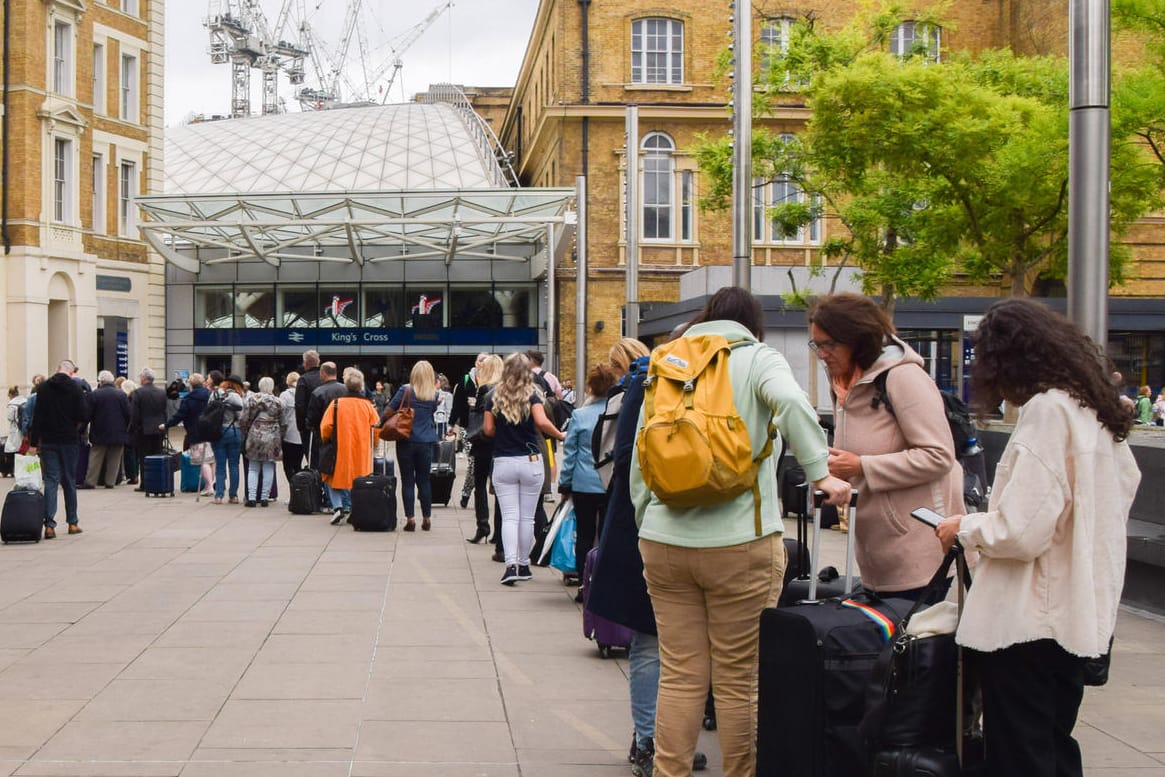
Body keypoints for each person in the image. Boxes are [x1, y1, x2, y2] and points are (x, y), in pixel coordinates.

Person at [630, 287, 850, 777]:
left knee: (681, 675)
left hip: (664, 541)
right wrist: (820, 474)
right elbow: (793, 402)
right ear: (754, 324)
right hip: (740, 544)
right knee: (737, 680)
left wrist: (648, 518)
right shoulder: (757, 357)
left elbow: (642, 459)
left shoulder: (666, 361)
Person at [935, 298, 1140, 777]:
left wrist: (963, 526)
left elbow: (1021, 531)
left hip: (1029, 619)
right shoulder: (1094, 411)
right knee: (1055, 744)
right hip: (1078, 615)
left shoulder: (1048, 413)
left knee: (1019, 751)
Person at [587, 336, 708, 777]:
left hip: (644, 524)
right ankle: (651, 740)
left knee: (657, 641)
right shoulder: (648, 386)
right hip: (666, 526)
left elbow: (614, 462)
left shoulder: (641, 386)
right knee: (657, 641)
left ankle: (657, 740)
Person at [806, 293, 963, 596]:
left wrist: (861, 466)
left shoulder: (903, 377)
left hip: (920, 553)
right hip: (877, 553)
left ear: (858, 340)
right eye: (817, 345)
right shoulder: (846, 383)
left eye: (829, 345)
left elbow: (939, 456)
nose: (822, 354)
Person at [484, 352, 566, 585]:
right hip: (530, 460)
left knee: (509, 516)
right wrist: (560, 434)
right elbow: (541, 422)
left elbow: (488, 430)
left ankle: (510, 566)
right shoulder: (533, 396)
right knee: (527, 518)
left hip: (503, 461)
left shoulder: (493, 396)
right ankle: (523, 564)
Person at [557, 364, 618, 597]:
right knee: (605, 535)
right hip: (610, 483)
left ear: (590, 386)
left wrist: (565, 484)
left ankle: (584, 584)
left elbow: (570, 455)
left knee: (583, 534)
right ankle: (605, 585)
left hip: (583, 484)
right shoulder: (617, 413)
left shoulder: (580, 415)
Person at [27, 359, 89, 538]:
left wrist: (33, 443)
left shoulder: (44, 387)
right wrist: (77, 430)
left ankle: (49, 526)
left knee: (51, 481)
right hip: (69, 440)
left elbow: (37, 416)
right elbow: (84, 414)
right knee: (69, 481)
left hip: (49, 440)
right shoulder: (76, 388)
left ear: (57, 369)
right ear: (70, 372)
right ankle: (72, 523)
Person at [385, 360, 441, 532]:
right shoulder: (434, 394)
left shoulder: (406, 390)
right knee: (424, 480)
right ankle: (427, 517)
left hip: (406, 439)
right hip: (426, 441)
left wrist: (383, 420)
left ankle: (410, 518)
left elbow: (390, 409)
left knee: (408, 481)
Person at [320, 368, 380, 525]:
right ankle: (356, 508)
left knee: (331, 478)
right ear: (361, 387)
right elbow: (376, 429)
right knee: (359, 480)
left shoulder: (336, 404)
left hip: (340, 450)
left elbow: (326, 427)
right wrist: (374, 445)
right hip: (361, 451)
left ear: (346, 386)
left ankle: (338, 507)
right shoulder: (367, 406)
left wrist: (326, 439)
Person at [465, 354, 503, 545]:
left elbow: (480, 417)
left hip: (483, 443)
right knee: (499, 490)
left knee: (480, 485)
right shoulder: (504, 390)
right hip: (501, 444)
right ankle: (499, 531)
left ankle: (483, 526)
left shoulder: (485, 389)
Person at [307, 363, 349, 515]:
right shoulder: (346, 390)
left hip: (325, 437)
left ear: (323, 374)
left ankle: (333, 503)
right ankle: (347, 502)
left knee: (327, 469)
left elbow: (311, 418)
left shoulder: (318, 392)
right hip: (346, 436)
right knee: (344, 469)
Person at [240, 376, 286, 508]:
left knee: (253, 468)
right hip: (273, 435)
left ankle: (252, 497)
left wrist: (245, 433)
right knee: (269, 467)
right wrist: (280, 436)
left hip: (255, 434)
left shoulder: (252, 399)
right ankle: (265, 497)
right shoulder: (278, 402)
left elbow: (244, 419)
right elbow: (284, 423)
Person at [84, 371, 131, 489]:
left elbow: (87, 414)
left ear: (101, 381)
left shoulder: (94, 394)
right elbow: (128, 413)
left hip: (99, 430)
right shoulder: (121, 394)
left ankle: (91, 481)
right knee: (115, 457)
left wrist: (82, 428)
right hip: (119, 431)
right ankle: (110, 481)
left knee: (96, 455)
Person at [208, 372, 246, 504]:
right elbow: (242, 417)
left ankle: (218, 495)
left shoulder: (215, 394)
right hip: (234, 431)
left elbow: (208, 411)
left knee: (220, 465)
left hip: (218, 432)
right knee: (234, 465)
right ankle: (233, 495)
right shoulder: (237, 397)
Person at [129, 368, 168, 492]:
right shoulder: (161, 392)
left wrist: (132, 428)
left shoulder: (138, 393)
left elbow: (135, 414)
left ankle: (145, 484)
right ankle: (157, 481)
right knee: (157, 455)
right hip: (158, 428)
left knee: (143, 457)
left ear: (143, 378)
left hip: (143, 430)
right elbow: (165, 411)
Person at [295, 349, 323, 467]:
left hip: (310, 428)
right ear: (319, 362)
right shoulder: (326, 378)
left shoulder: (303, 379)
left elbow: (299, 405)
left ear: (305, 363)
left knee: (313, 460)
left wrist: (302, 426)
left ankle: (317, 483)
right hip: (328, 426)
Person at [280, 371, 303, 484]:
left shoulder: (284, 395)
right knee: (298, 464)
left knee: (288, 465)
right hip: (301, 434)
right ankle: (300, 490)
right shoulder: (303, 394)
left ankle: (293, 488)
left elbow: (281, 414)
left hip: (288, 435)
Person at [3, 386, 27, 477]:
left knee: (10, 449)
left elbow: (10, 417)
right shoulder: (25, 400)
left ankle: (10, 471)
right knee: (22, 449)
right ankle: (20, 470)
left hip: (15, 429)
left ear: (10, 394)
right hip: (24, 428)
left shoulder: (12, 404)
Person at [434, 373, 454, 440]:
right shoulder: (431, 393)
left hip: (441, 422)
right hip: (432, 422)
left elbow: (449, 411)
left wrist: (449, 425)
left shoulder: (448, 395)